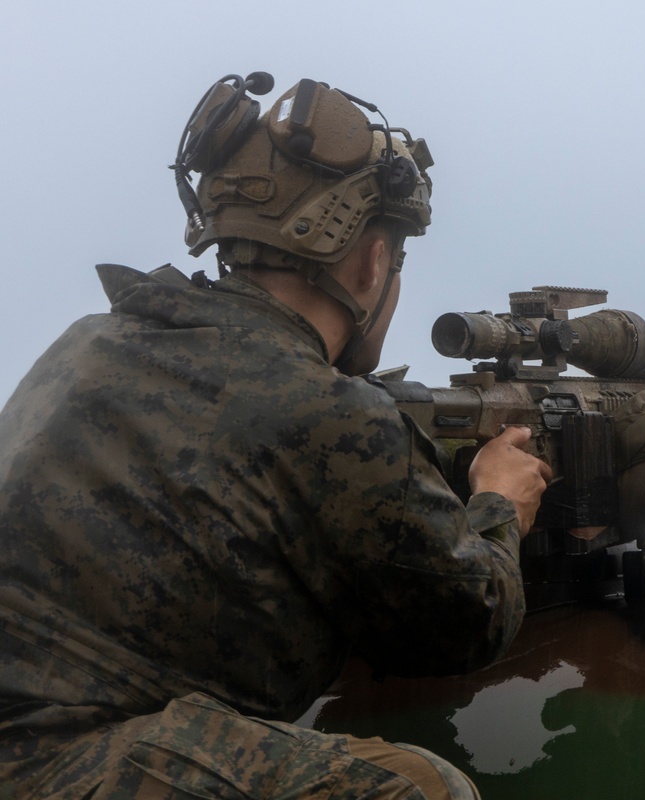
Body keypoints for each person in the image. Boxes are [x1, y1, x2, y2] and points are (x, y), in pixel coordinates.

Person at [0, 73, 551, 799]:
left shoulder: (87, 343)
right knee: (417, 789)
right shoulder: (326, 410)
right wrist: (497, 504)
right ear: (371, 260)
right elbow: (466, 622)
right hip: (52, 763)